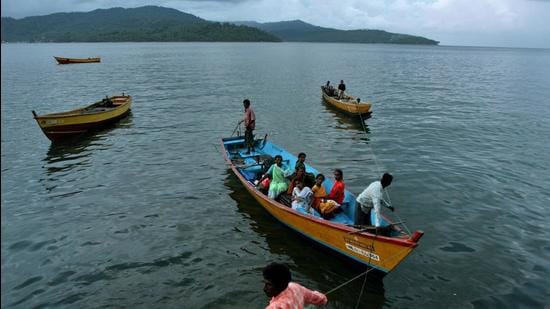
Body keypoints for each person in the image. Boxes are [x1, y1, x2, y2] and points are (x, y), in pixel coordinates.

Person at [263, 262, 327, 309]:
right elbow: (320, 299)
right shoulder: (295, 287)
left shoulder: (275, 307)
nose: (264, 289)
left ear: (280, 285)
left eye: (269, 285)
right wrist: (323, 299)